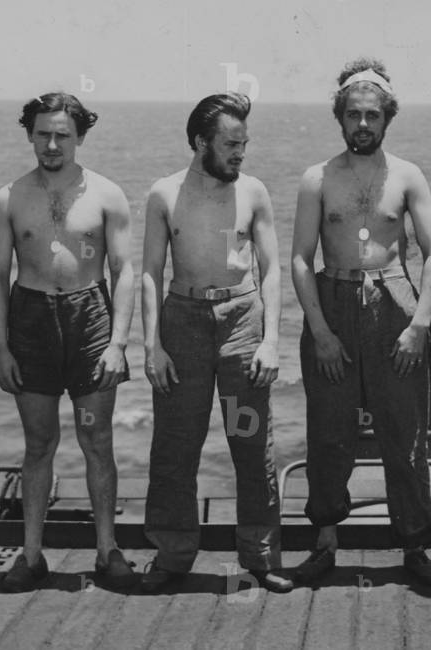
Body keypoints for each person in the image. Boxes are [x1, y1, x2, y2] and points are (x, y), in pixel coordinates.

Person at [290, 58, 431, 586]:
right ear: (340, 116)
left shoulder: (407, 176)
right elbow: (299, 258)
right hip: (333, 301)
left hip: (393, 301)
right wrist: (320, 331)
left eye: (372, 115)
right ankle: (326, 540)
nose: (363, 124)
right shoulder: (318, 178)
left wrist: (419, 324)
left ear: (387, 119)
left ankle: (416, 547)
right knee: (330, 434)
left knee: (405, 434)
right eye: (353, 114)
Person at [0, 93, 137, 591]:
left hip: (89, 318)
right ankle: (31, 556)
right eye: (43, 134)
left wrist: (117, 343)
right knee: (38, 444)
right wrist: (1, 349)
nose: (52, 144)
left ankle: (107, 552)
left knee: (97, 440)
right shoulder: (9, 198)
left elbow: (124, 272)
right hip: (30, 321)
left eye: (63, 135)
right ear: (29, 134)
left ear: (80, 137)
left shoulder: (107, 195)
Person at [140, 92, 290, 593]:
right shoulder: (164, 194)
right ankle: (173, 554)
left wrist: (271, 340)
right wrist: (151, 345)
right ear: (201, 142)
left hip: (242, 318)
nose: (240, 153)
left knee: (251, 442)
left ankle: (262, 555)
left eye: (244, 143)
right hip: (182, 320)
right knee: (176, 445)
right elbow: (148, 273)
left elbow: (272, 271)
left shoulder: (254, 191)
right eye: (230, 144)